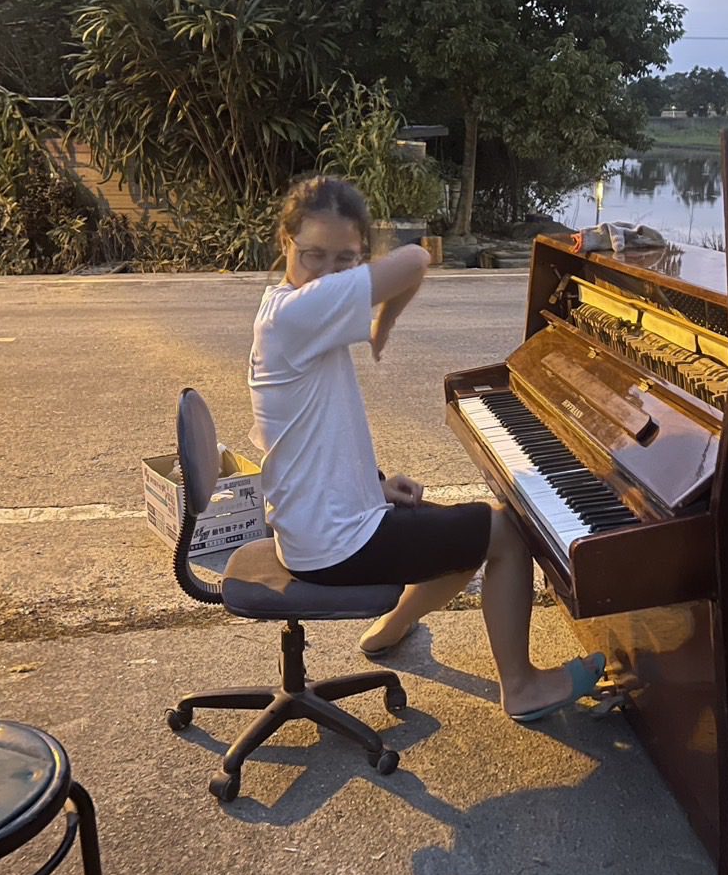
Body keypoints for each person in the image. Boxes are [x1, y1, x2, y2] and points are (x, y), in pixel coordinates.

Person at [247, 176, 605, 722]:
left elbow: (302, 437)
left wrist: (373, 485)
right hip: (335, 544)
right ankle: (522, 686)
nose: (327, 274)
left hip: (315, 526)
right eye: (314, 255)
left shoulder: (283, 310)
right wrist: (382, 321)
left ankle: (389, 629)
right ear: (285, 243)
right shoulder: (297, 315)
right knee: (507, 533)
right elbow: (416, 259)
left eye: (345, 261)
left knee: (461, 531)